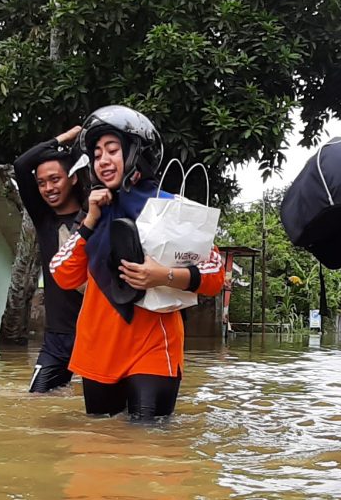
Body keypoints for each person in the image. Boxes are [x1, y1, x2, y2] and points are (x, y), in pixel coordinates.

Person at [51, 105, 228, 422]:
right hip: (97, 350)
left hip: (153, 350)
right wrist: (90, 220)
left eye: (112, 150)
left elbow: (216, 273)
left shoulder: (172, 209)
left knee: (149, 453)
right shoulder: (92, 213)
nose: (102, 160)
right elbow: (62, 274)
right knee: (101, 455)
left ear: (135, 153)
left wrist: (162, 275)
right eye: (97, 153)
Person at [12, 125, 87, 392]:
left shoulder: (94, 215)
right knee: (37, 401)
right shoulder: (44, 220)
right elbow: (22, 165)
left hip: (95, 332)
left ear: (73, 178)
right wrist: (63, 138)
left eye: (55, 179)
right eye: (42, 183)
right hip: (56, 337)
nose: (48, 188)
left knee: (101, 416)